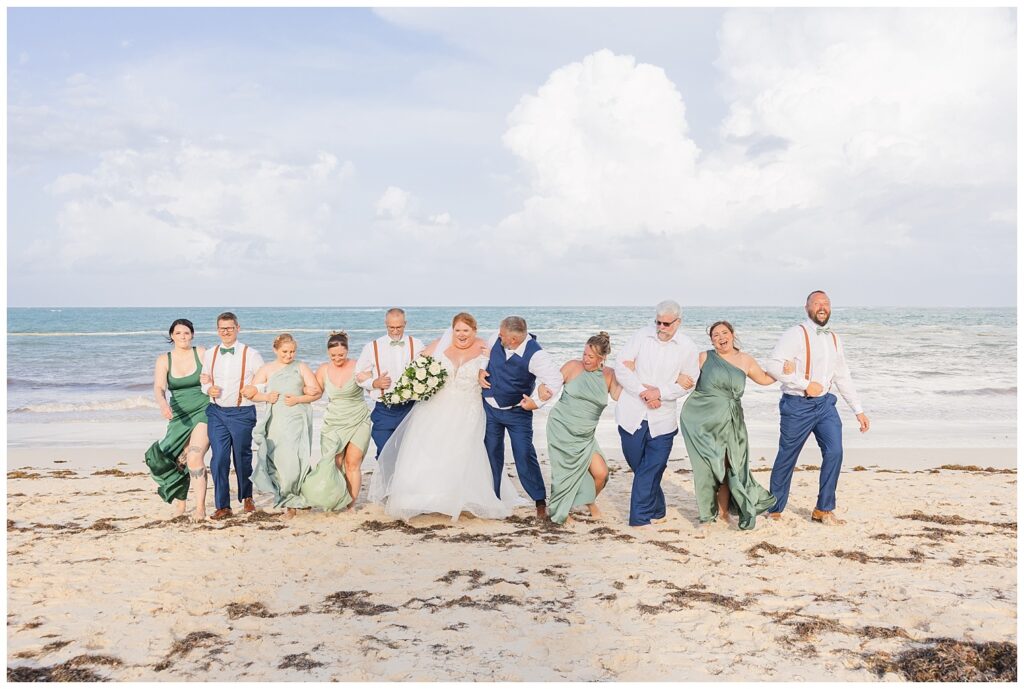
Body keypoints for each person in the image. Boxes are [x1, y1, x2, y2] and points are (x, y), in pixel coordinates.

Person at [368, 312, 527, 521]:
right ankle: (427, 497)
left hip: (468, 407)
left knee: (463, 450)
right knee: (430, 449)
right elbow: (416, 369)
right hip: (435, 407)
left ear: (474, 331)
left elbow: (503, 366)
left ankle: (459, 496)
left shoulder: (485, 349)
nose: (461, 335)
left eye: (466, 331)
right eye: (457, 330)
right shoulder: (438, 346)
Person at [764, 291, 871, 525]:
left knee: (835, 452)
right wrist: (803, 384)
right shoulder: (795, 334)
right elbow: (772, 365)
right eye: (817, 303)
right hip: (797, 405)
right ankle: (774, 508)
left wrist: (858, 409)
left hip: (825, 405)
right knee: (787, 457)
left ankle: (823, 509)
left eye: (826, 303)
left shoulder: (833, 338)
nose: (822, 307)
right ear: (807, 308)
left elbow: (842, 375)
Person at [679, 321, 794, 533]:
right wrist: (678, 377)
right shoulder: (704, 357)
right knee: (705, 468)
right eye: (715, 335)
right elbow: (683, 375)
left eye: (724, 333)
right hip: (700, 420)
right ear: (711, 340)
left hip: (732, 422)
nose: (720, 337)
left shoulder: (745, 360)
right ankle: (706, 517)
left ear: (732, 335)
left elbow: (766, 379)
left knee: (728, 466)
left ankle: (723, 514)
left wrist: (786, 371)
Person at [613, 300, 700, 527]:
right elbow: (621, 367)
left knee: (652, 467)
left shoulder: (688, 347)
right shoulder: (641, 336)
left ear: (678, 322)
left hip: (663, 418)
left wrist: (660, 392)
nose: (661, 327)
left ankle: (639, 519)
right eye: (658, 322)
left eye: (666, 324)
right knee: (639, 466)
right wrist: (644, 391)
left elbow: (689, 382)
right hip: (631, 414)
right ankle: (658, 508)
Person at [478, 316, 563, 519]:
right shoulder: (495, 338)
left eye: (502, 335)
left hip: (517, 412)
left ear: (513, 339)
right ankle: (493, 498)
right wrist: (481, 370)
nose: (498, 337)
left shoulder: (537, 355)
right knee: (491, 453)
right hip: (489, 408)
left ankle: (539, 500)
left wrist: (536, 402)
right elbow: (486, 356)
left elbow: (555, 380)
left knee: (524, 454)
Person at [545, 332, 622, 525]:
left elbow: (620, 396)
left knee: (601, 473)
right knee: (564, 474)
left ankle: (587, 501)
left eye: (591, 357)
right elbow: (550, 386)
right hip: (561, 428)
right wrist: (537, 396)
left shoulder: (610, 375)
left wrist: (633, 374)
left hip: (585, 435)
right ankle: (562, 510)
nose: (586, 359)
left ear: (602, 358)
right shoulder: (572, 366)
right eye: (584, 354)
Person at [245, 334, 321, 519]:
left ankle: (291, 504)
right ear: (275, 350)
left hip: (297, 418)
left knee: (293, 459)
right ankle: (293, 496)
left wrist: (298, 399)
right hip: (276, 420)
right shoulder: (267, 369)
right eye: (285, 352)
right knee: (278, 460)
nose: (289, 355)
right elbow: (250, 393)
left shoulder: (301, 367)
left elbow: (317, 392)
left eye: (292, 352)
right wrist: (265, 397)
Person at [200, 312, 265, 520]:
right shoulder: (210, 353)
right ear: (217, 330)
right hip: (216, 412)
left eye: (229, 327)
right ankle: (223, 506)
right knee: (218, 459)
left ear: (238, 328)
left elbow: (265, 379)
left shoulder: (251, 354)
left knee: (242, 457)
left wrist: (254, 388)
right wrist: (208, 388)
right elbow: (205, 379)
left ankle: (247, 496)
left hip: (242, 412)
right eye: (222, 328)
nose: (225, 332)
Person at [144, 318, 210, 521]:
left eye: (187, 333)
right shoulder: (164, 359)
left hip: (204, 409)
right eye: (178, 333)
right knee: (172, 458)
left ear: (192, 335)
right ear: (172, 336)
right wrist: (163, 404)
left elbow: (215, 375)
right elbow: (159, 387)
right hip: (179, 414)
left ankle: (200, 508)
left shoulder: (201, 353)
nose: (183, 336)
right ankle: (181, 502)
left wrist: (209, 379)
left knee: (194, 457)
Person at [300, 331, 370, 512]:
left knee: (352, 464)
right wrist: (295, 396)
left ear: (347, 351)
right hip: (333, 421)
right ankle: (334, 499)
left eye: (341, 355)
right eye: (333, 355)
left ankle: (351, 505)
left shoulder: (358, 366)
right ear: (327, 353)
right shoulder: (323, 369)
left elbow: (372, 387)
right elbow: (315, 393)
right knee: (334, 462)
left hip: (358, 419)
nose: (337, 358)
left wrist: (374, 381)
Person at [355, 308, 424, 459]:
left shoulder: (417, 344)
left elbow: (425, 371)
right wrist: (374, 383)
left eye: (399, 327)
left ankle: (401, 483)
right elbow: (358, 375)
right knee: (384, 453)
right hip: (383, 409)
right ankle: (386, 482)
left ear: (405, 324)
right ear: (386, 324)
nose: (395, 331)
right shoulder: (372, 347)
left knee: (407, 455)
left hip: (409, 408)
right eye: (391, 327)